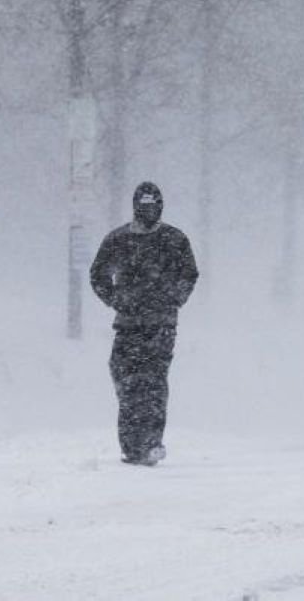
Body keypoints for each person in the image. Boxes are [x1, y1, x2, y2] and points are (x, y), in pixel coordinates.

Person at [90, 181, 199, 466]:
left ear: (160, 206)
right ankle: (131, 446)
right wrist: (116, 300)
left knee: (152, 382)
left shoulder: (175, 240)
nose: (148, 211)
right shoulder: (118, 239)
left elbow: (189, 274)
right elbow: (97, 274)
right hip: (127, 324)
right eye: (144, 205)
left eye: (153, 205)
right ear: (136, 206)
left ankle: (151, 442)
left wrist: (173, 299)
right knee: (125, 381)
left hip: (161, 325)